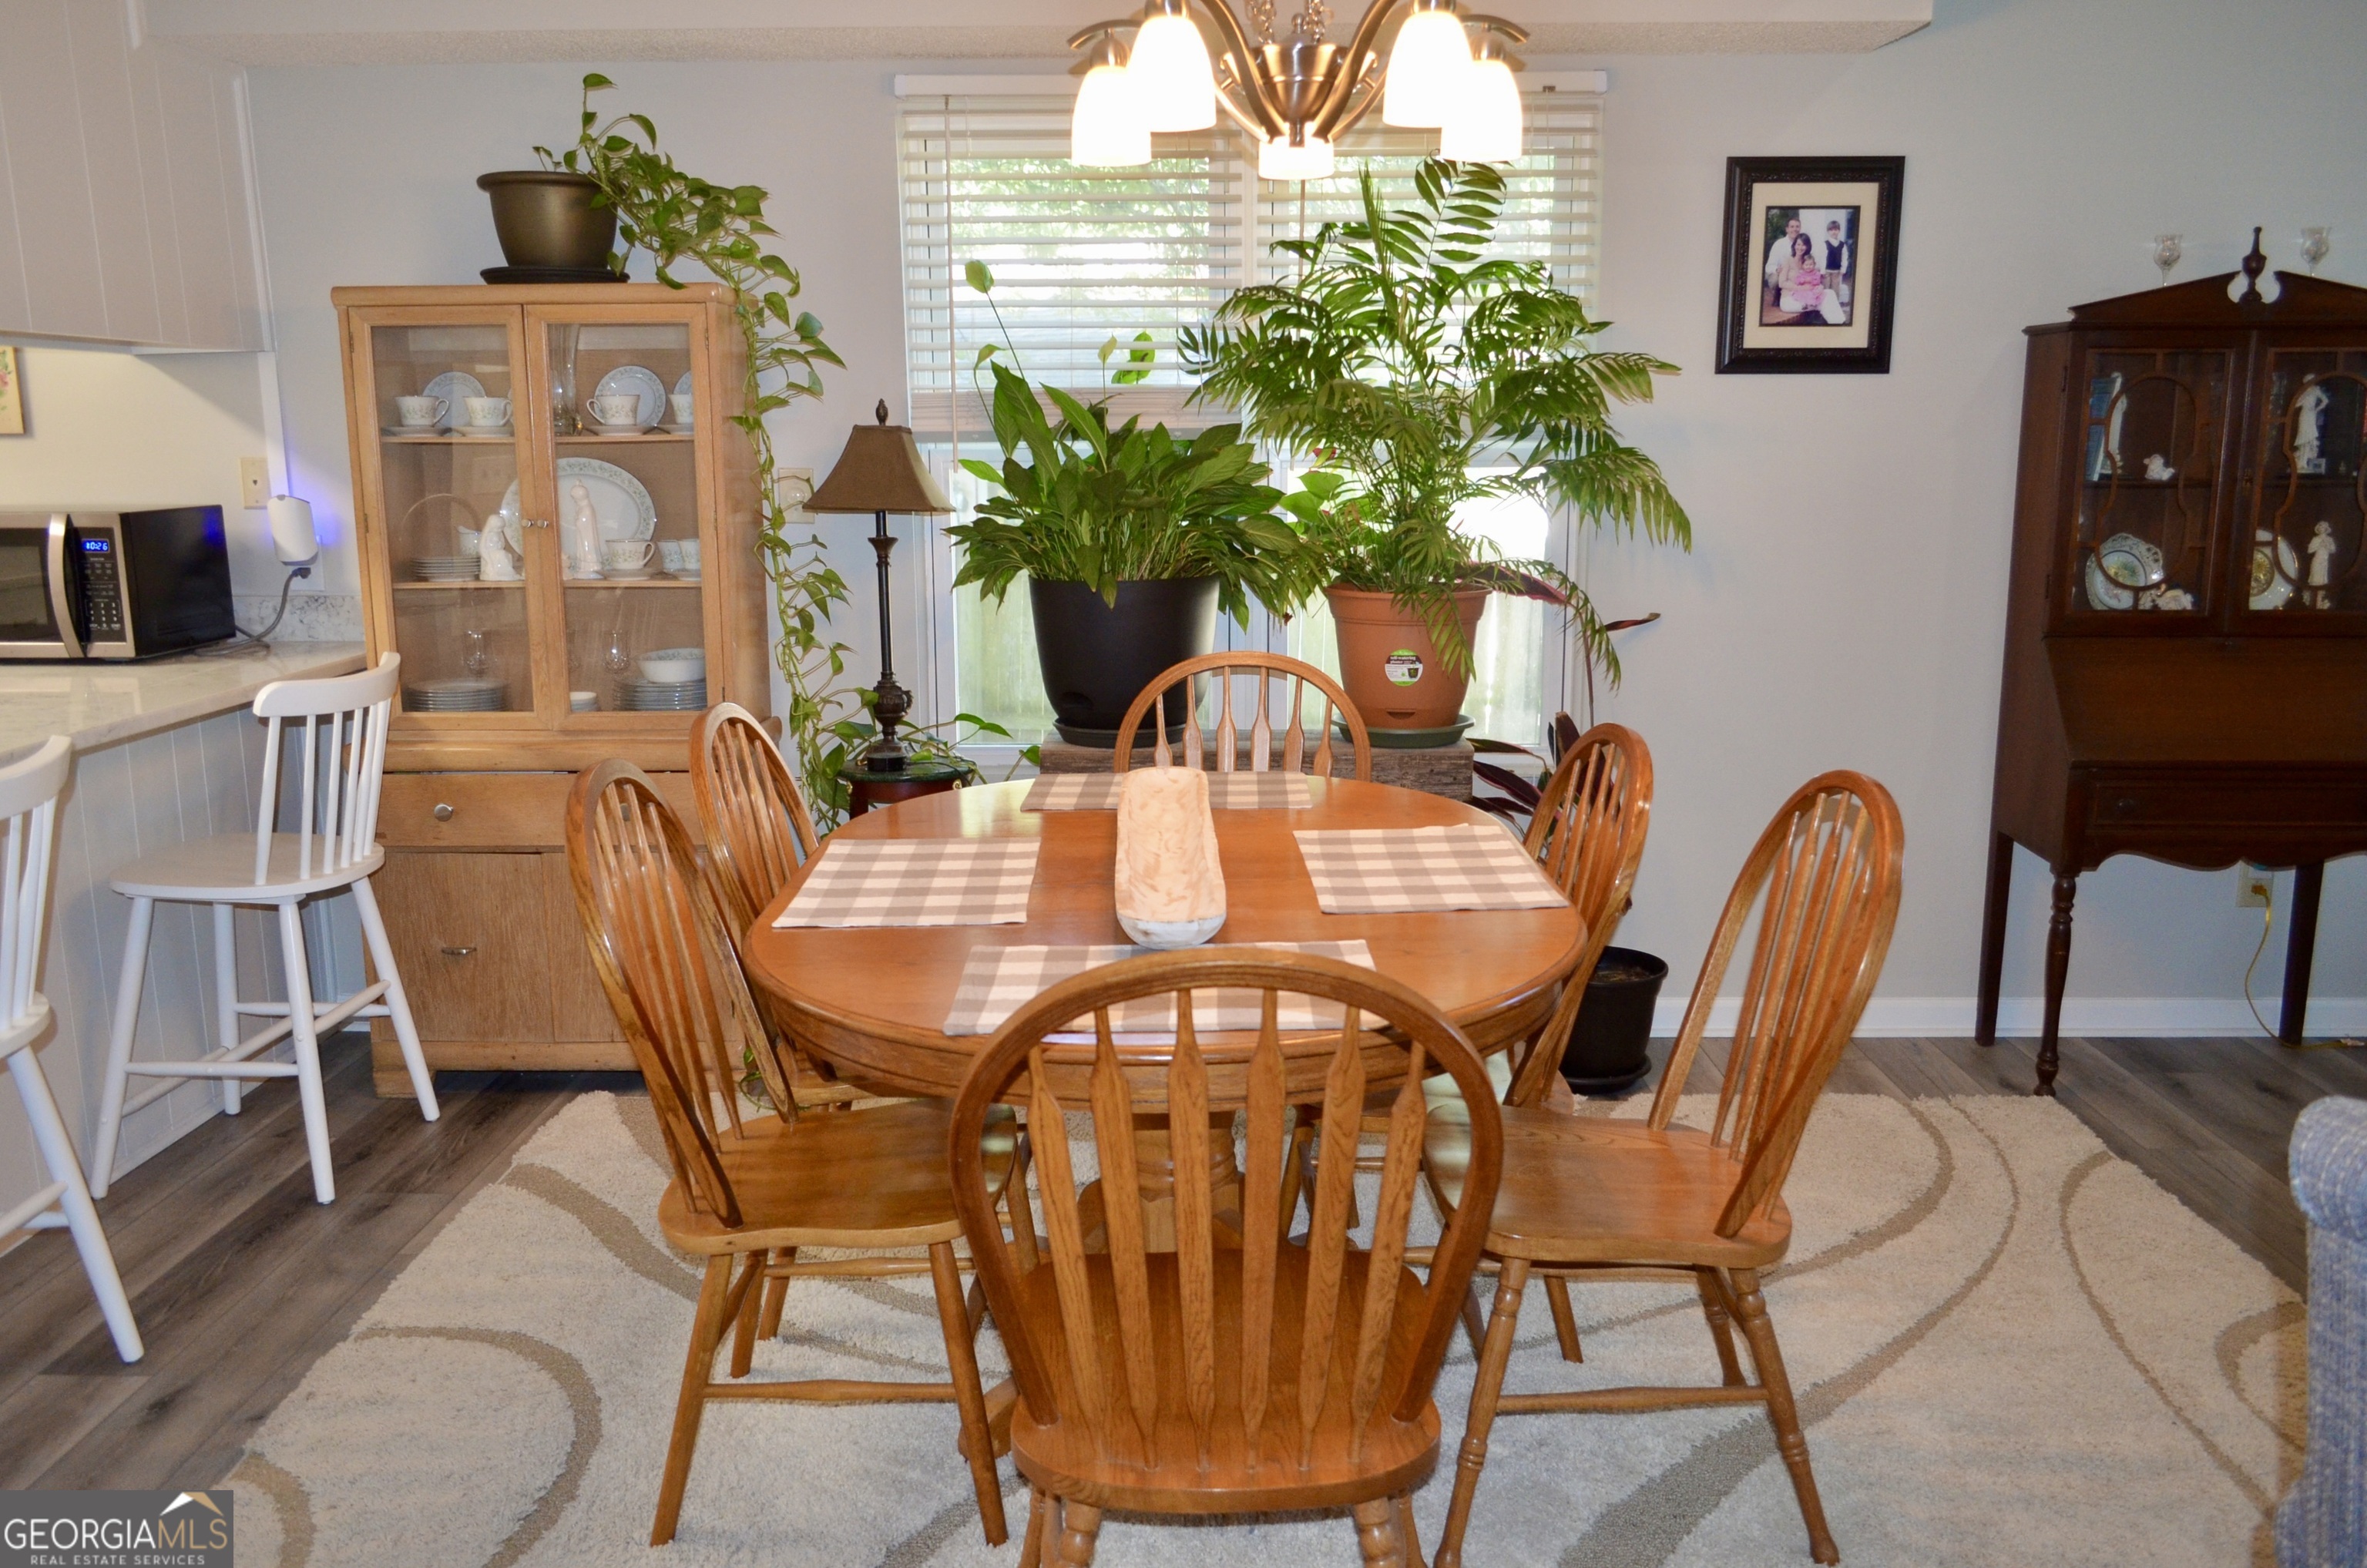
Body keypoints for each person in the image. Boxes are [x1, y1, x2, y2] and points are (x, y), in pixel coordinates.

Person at [1776, 233, 1826, 317]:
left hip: (1808, 296)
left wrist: (1820, 287)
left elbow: (1815, 278)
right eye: (1798, 244)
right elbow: (1782, 283)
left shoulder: (1808, 262)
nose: (1800, 248)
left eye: (1803, 245)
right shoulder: (1788, 260)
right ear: (1794, 245)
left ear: (1807, 247)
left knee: (1829, 293)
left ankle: (1838, 323)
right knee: (1823, 304)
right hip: (1789, 298)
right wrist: (1800, 288)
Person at [1764, 215, 1805, 287]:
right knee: (1775, 279)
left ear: (1800, 229)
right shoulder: (1779, 244)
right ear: (1787, 229)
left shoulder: (1803, 244)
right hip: (1781, 272)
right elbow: (1769, 266)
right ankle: (1777, 297)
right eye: (1792, 227)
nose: (1795, 229)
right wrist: (1777, 269)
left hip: (1796, 273)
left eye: (1797, 227)